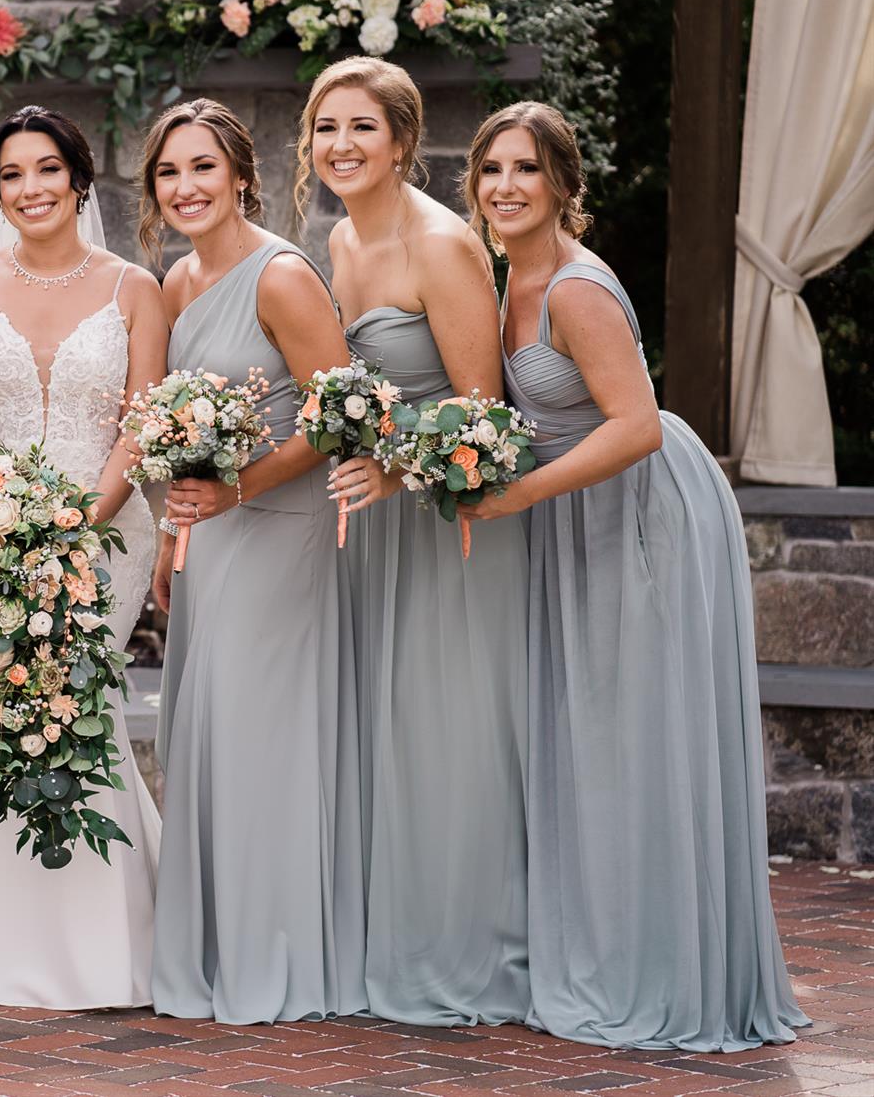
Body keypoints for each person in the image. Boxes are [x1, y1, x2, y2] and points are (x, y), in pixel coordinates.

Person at [464, 101, 809, 1051]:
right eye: (491, 169)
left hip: (643, 514)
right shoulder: (508, 275)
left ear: (563, 184)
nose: (505, 187)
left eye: (526, 169)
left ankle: (662, 974)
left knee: (636, 738)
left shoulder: (576, 290)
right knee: (591, 740)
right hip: (575, 514)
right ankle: (607, 950)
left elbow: (637, 425)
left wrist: (519, 493)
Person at [312, 57, 531, 1026]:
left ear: (402, 141)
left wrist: (398, 471)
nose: (342, 145)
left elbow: (486, 418)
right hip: (377, 530)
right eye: (326, 128)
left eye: (362, 127)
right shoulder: (338, 238)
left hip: (449, 524)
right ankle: (394, 939)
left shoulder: (441, 246)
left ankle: (467, 953)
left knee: (451, 734)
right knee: (391, 732)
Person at [0, 104, 165, 1009]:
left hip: (104, 532)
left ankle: (107, 950)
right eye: (11, 175)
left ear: (79, 178)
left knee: (80, 707)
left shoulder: (133, 289)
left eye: (45, 170)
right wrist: (3, 508)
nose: (29, 189)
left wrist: (76, 525)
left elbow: (140, 424)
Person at [144, 98, 367, 1024]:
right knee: (208, 732)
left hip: (279, 527)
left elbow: (337, 416)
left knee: (257, 735)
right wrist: (172, 535)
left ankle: (270, 957)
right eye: (168, 172)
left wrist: (236, 492)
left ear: (241, 175)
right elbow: (172, 431)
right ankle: (214, 948)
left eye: (203, 167)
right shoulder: (176, 281)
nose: (185, 187)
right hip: (211, 534)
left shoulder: (280, 277)